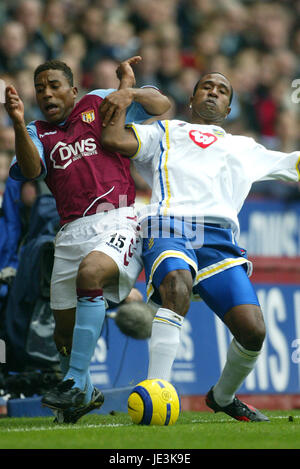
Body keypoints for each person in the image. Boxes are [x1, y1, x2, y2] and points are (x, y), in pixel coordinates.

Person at [100, 71, 300, 422]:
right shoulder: (163, 132)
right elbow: (114, 139)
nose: (213, 92)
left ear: (228, 108)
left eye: (222, 91)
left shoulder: (243, 148)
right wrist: (125, 95)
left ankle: (222, 397)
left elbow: (292, 164)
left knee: (253, 331)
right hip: (169, 224)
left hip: (220, 241)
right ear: (190, 100)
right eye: (206, 87)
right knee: (177, 282)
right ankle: (156, 390)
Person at [5, 56, 170, 423]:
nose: (47, 93)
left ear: (73, 90)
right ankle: (84, 392)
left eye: (55, 85)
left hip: (119, 218)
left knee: (91, 275)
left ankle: (74, 380)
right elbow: (31, 171)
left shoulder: (97, 101)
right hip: (69, 231)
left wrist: (128, 92)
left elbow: (162, 106)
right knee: (63, 333)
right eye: (40, 88)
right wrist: (17, 123)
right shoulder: (36, 131)